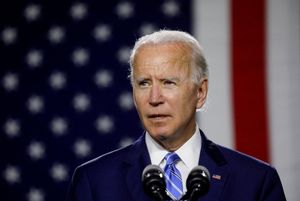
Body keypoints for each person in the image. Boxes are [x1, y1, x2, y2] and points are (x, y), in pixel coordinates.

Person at [66, 30, 286, 201]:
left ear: (200, 93)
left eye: (168, 82)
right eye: (143, 83)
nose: (154, 98)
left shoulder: (256, 181)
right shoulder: (94, 181)